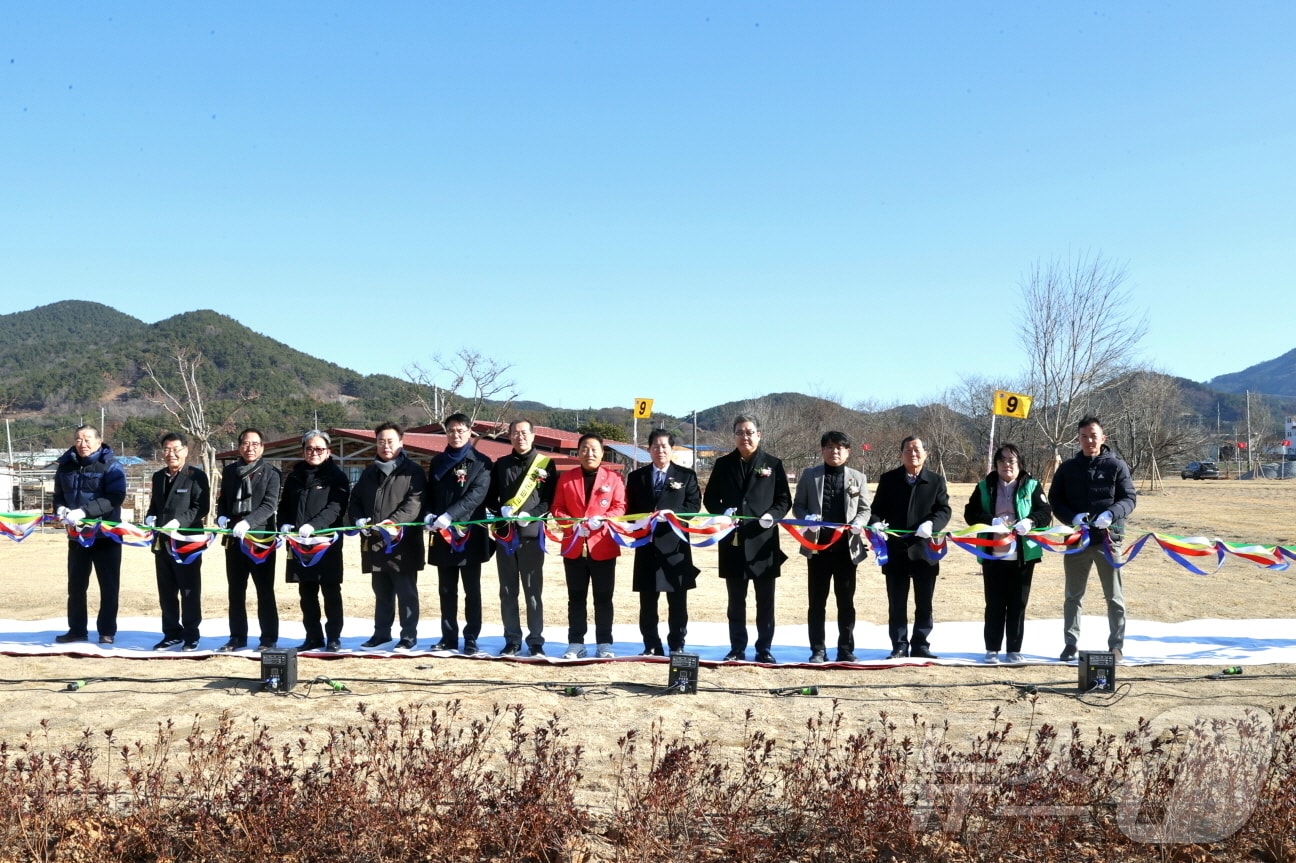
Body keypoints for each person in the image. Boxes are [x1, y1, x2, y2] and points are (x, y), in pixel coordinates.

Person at [702, 414, 792, 664]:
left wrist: (771, 516)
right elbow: (710, 499)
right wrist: (723, 514)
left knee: (765, 601)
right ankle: (737, 648)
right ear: (734, 436)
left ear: (759, 434)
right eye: (740, 432)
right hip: (732, 541)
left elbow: (784, 499)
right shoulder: (723, 464)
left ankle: (764, 648)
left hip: (763, 541)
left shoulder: (773, 464)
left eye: (750, 432)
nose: (745, 436)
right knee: (735, 602)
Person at [1048, 416, 1137, 663]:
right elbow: (1055, 500)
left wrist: (1112, 513)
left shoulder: (1117, 466)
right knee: (1073, 596)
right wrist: (1071, 516)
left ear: (1103, 438)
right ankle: (1070, 643)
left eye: (1093, 436)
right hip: (1076, 541)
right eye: (1084, 436)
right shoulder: (1067, 468)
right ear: (1078, 439)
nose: (1089, 441)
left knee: (1114, 596)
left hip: (1108, 541)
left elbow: (1129, 498)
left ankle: (1116, 645)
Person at [963, 443, 1052, 664]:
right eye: (1001, 461)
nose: (1006, 465)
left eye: (1011, 461)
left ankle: (1014, 649)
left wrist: (1030, 521)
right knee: (994, 603)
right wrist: (989, 521)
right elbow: (970, 512)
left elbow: (1045, 512)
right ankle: (992, 648)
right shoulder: (984, 486)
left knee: (1018, 603)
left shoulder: (1031, 486)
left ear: (1019, 463)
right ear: (996, 465)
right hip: (993, 554)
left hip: (1023, 555)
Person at [868, 436, 951, 660]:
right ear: (901, 454)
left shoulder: (935, 481)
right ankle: (899, 644)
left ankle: (921, 643)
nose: (913, 454)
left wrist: (932, 524)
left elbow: (944, 510)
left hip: (925, 551)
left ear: (925, 453)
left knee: (924, 601)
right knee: (896, 602)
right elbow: (876, 510)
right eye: (908, 450)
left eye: (917, 449)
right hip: (895, 550)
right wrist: (875, 523)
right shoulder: (889, 479)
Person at [792, 430, 871, 663]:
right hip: (817, 549)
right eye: (829, 447)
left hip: (847, 550)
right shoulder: (809, 475)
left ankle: (845, 649)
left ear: (847, 451)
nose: (834, 451)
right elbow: (798, 505)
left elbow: (865, 509)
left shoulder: (858, 477)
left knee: (846, 601)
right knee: (816, 602)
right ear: (822, 450)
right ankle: (817, 649)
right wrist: (807, 519)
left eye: (839, 447)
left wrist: (859, 523)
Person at [349, 422, 427, 650]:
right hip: (375, 543)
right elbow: (355, 500)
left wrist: (392, 522)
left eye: (390, 441)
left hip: (402, 543)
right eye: (381, 441)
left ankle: (408, 636)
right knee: (381, 593)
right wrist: (358, 519)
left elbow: (414, 503)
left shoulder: (413, 471)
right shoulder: (369, 472)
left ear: (401, 443)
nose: (385, 445)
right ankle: (381, 633)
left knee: (406, 593)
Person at [625, 429, 701, 656]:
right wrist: (642, 520)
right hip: (646, 546)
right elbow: (629, 509)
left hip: (675, 548)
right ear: (649, 449)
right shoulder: (636, 477)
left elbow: (693, 506)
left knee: (678, 601)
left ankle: (677, 643)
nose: (660, 450)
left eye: (664, 446)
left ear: (671, 449)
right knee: (647, 601)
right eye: (655, 446)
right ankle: (651, 644)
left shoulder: (686, 476)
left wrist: (671, 513)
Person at [551, 433, 626, 659]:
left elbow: (620, 506)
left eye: (594, 449)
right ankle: (576, 642)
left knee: (603, 597)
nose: (589, 453)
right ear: (578, 452)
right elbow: (557, 508)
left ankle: (604, 643)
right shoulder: (567, 478)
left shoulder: (613, 478)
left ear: (602, 453)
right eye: (584, 449)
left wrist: (601, 519)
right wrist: (572, 524)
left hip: (602, 545)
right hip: (574, 545)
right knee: (576, 597)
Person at [425, 413, 495, 655]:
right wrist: (429, 514)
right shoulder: (437, 461)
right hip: (442, 534)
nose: (456, 435)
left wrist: (450, 515)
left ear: (469, 432)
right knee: (446, 589)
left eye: (461, 430)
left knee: (471, 590)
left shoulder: (482, 462)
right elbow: (430, 492)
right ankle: (448, 636)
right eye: (451, 430)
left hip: (470, 533)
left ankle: (472, 637)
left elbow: (477, 494)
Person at [52, 425, 127, 645]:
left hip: (106, 536)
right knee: (76, 586)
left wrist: (85, 511)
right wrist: (60, 509)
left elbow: (115, 497)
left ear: (99, 441)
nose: (82, 444)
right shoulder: (65, 466)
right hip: (76, 537)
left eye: (87, 439)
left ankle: (106, 630)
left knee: (109, 585)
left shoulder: (111, 465)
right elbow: (58, 494)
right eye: (78, 439)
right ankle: (76, 629)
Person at [487, 419, 555, 656]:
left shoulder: (546, 464)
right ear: (509, 436)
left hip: (531, 536)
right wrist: (499, 511)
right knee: (507, 590)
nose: (520, 437)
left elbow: (549, 501)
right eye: (515, 433)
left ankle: (536, 641)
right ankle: (512, 639)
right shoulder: (501, 465)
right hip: (505, 536)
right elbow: (490, 497)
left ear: (533, 435)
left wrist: (533, 515)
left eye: (524, 433)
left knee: (533, 590)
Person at [279, 430, 350, 653]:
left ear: (328, 452)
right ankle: (313, 636)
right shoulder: (294, 476)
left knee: (330, 590)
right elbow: (285, 505)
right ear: (303, 451)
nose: (314, 453)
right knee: (306, 592)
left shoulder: (337, 477)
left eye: (319, 449)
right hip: (299, 544)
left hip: (325, 542)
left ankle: (333, 637)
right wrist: (283, 523)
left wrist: (314, 526)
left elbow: (336, 507)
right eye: (309, 448)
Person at [215, 428, 282, 651]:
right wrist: (222, 515)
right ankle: (237, 637)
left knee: (264, 590)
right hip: (234, 538)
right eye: (245, 443)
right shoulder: (231, 471)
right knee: (235, 590)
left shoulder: (271, 473)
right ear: (239, 446)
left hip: (260, 538)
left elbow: (269, 505)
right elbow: (223, 499)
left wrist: (249, 522)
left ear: (262, 447)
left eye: (255, 444)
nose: (249, 448)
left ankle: (268, 637)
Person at [144, 432, 210, 651]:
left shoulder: (195, 476)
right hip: (162, 542)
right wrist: (150, 516)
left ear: (185, 450)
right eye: (166, 449)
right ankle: (171, 632)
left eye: (175, 449)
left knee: (189, 589)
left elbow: (201, 507)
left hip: (187, 541)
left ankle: (191, 634)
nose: (170, 454)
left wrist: (178, 522)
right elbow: (155, 504)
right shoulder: (158, 476)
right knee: (166, 589)